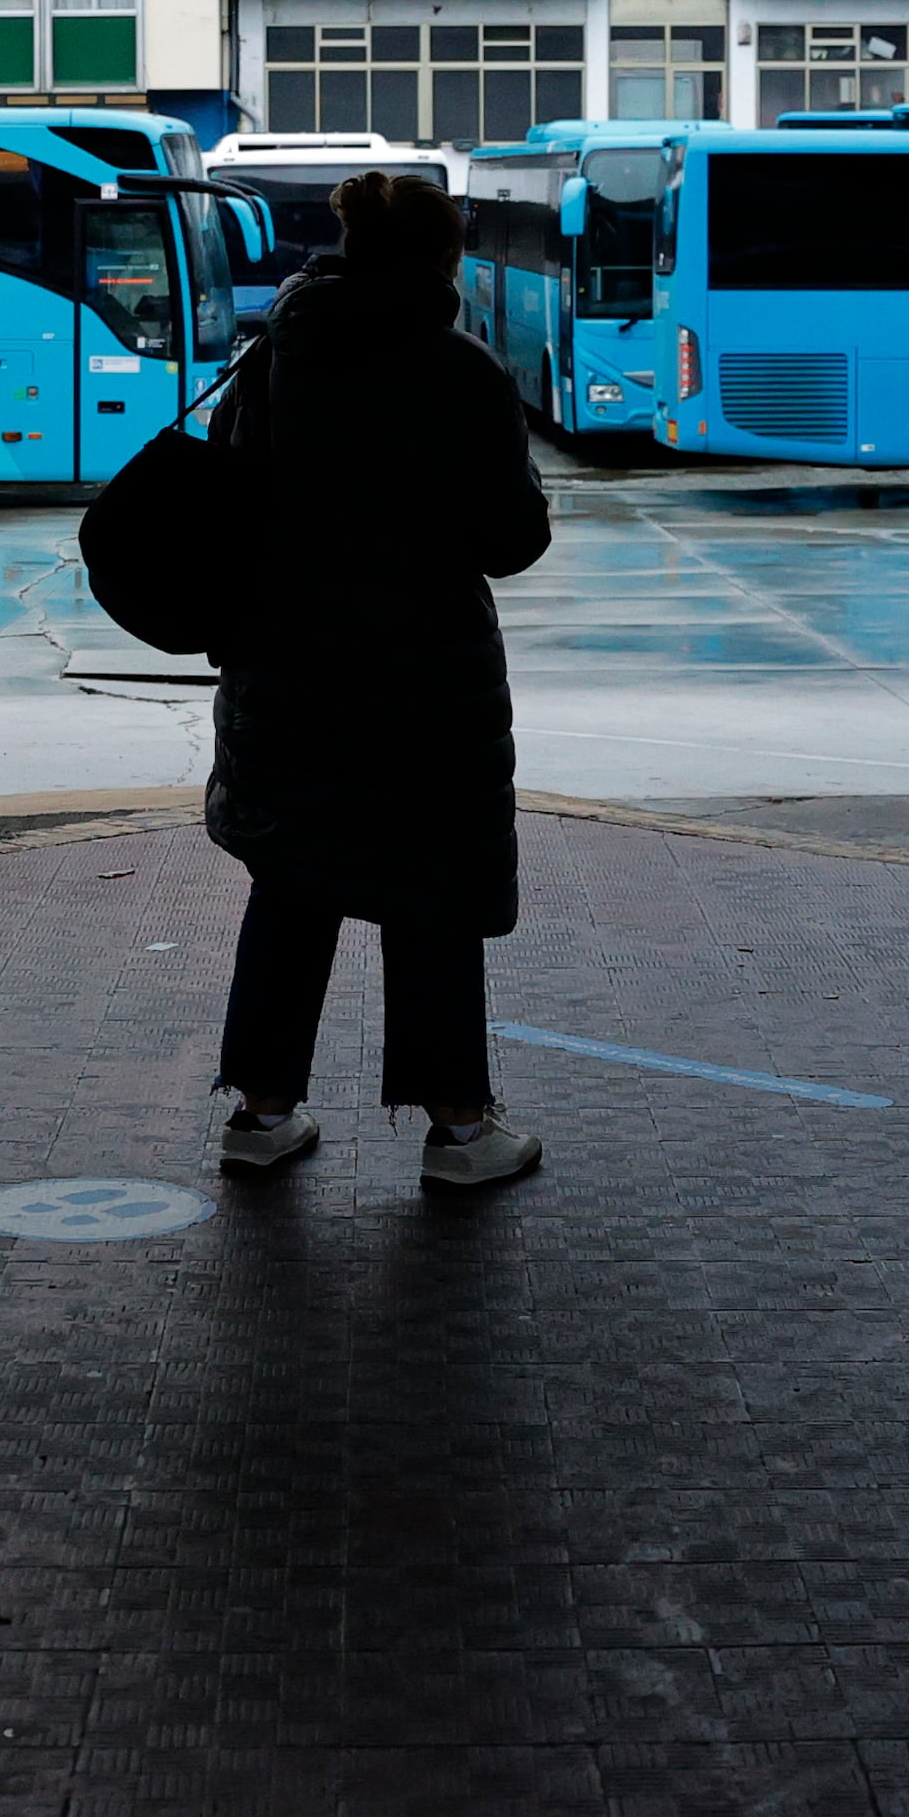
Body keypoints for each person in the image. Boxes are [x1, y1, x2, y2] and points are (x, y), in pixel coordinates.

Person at [201, 167, 557, 1185]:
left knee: (294, 880)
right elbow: (509, 539)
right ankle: (455, 1127)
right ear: (441, 261)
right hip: (422, 684)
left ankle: (261, 1114)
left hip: (289, 673)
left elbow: (231, 502)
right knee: (431, 888)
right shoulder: (458, 373)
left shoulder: (275, 356)